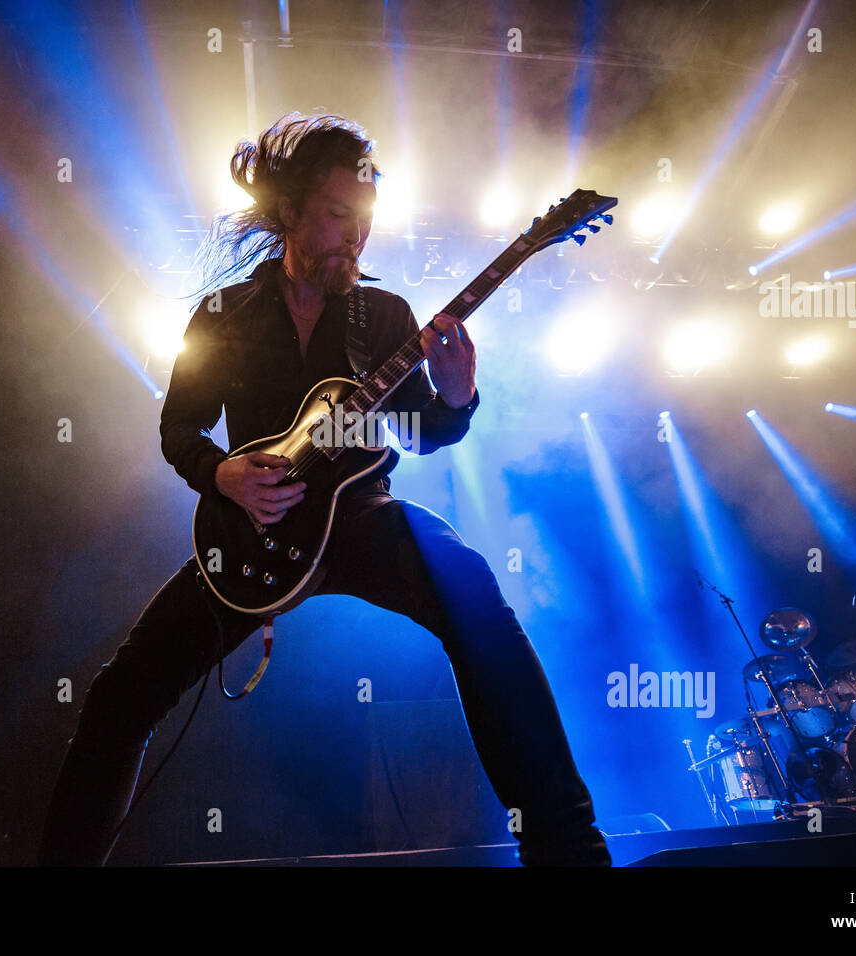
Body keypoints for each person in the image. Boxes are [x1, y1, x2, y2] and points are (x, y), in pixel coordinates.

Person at [37, 112, 610, 867]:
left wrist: (458, 396)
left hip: (361, 519)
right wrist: (226, 476)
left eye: (364, 220)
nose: (355, 237)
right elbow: (180, 430)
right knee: (119, 697)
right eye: (338, 217)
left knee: (476, 599)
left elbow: (425, 433)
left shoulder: (385, 317)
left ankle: (570, 850)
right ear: (289, 214)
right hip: (254, 534)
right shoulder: (224, 316)